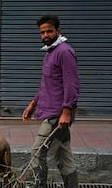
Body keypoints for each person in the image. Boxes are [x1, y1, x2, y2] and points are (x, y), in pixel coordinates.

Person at [22, 14, 80, 188]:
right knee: (64, 157)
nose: (45, 35)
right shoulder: (50, 52)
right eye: (42, 32)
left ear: (58, 31)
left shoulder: (64, 52)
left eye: (49, 31)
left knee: (37, 154)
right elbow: (49, 84)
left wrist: (67, 112)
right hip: (53, 112)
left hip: (57, 115)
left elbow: (72, 84)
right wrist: (33, 103)